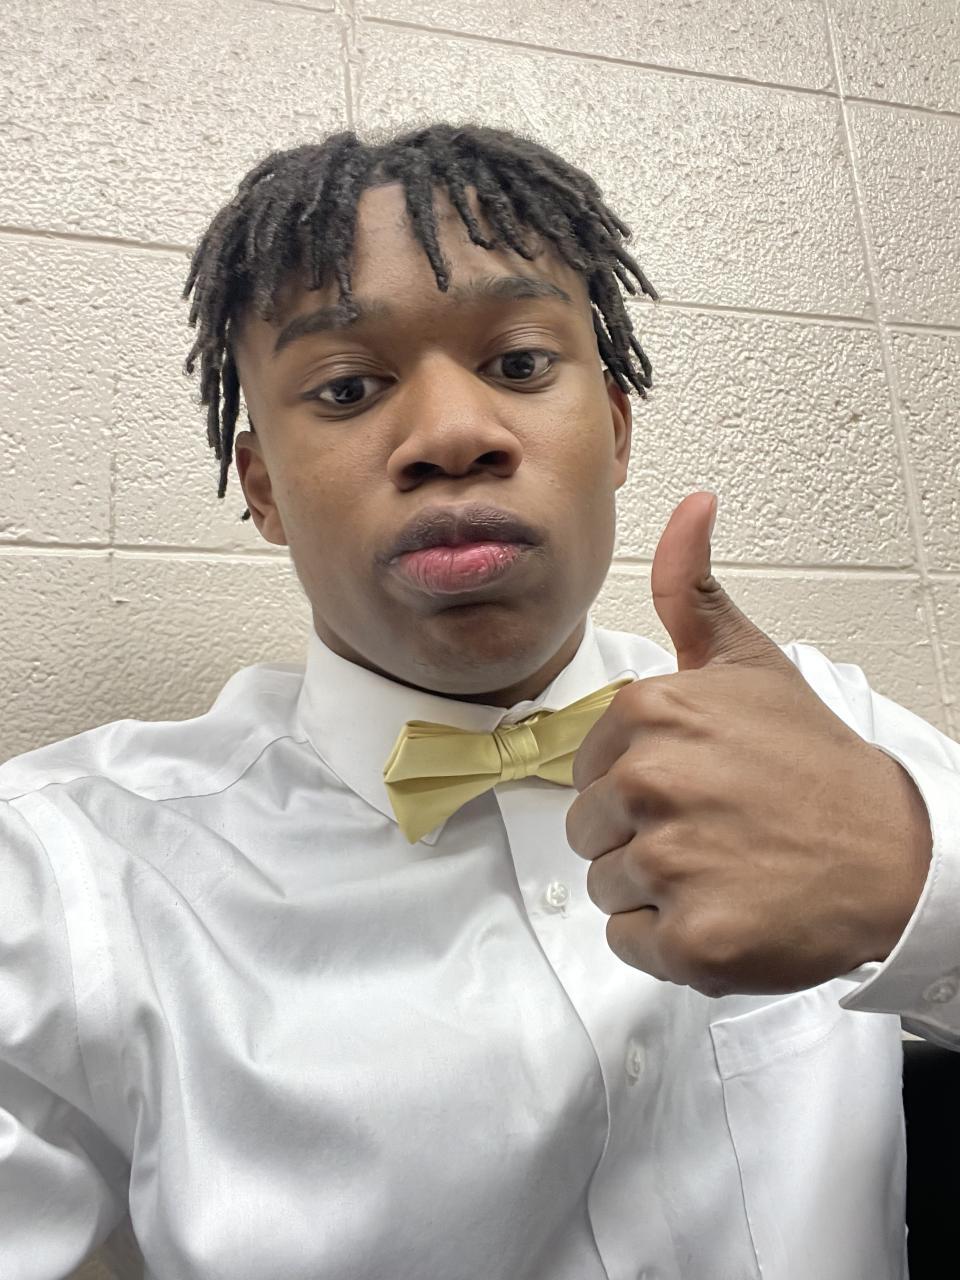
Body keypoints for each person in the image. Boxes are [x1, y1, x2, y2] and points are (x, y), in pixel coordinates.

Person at [2, 121, 958, 1280]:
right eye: (347, 387)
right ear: (262, 489)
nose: (454, 435)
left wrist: (916, 879)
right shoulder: (64, 872)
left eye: (517, 366)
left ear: (614, 430)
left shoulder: (831, 730)